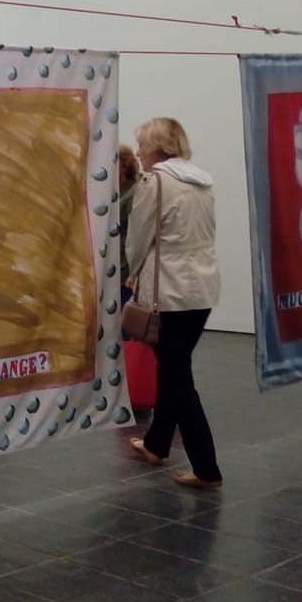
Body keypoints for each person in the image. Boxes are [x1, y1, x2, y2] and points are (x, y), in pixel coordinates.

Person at [124, 118, 223, 487]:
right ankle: (156, 445)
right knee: (173, 368)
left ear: (157, 147)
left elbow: (138, 237)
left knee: (178, 378)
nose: (138, 152)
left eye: (142, 145)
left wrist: (130, 271)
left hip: (168, 291)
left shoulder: (156, 183)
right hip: (202, 289)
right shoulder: (202, 180)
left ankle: (206, 467)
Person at [117, 144, 140, 304]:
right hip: (113, 269)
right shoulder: (112, 190)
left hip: (125, 274)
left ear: (123, 166)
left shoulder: (135, 192)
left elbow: (138, 235)